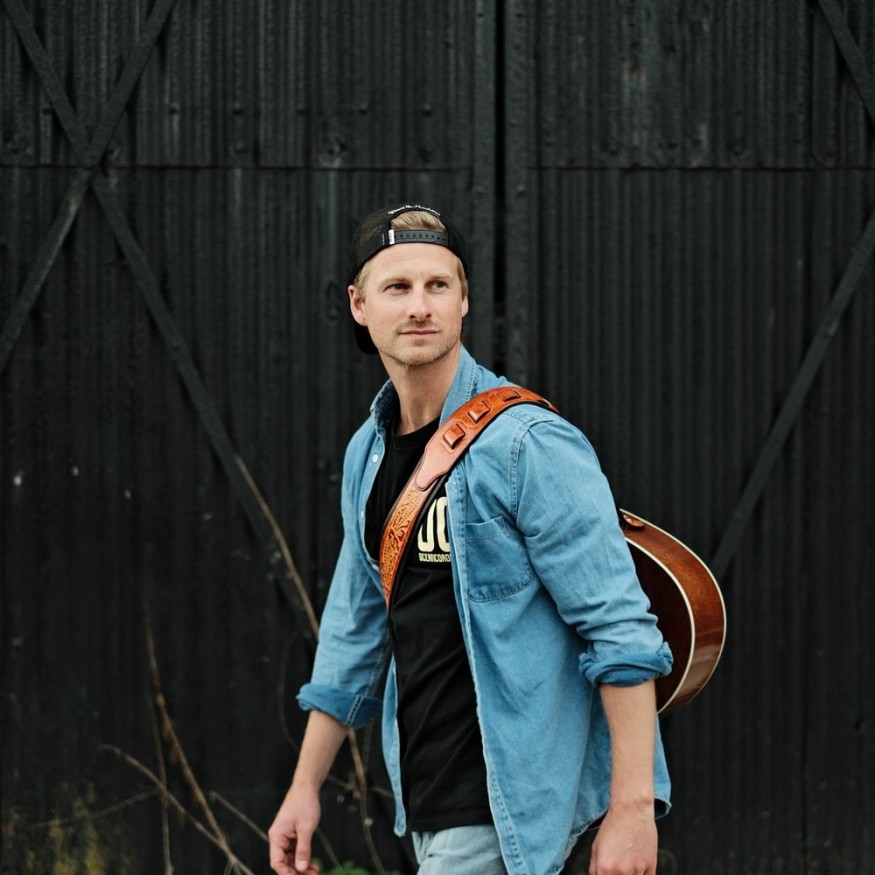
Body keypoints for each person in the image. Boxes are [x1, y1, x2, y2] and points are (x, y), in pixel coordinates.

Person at [268, 203, 674, 875]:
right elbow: (352, 629)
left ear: (463, 300)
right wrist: (304, 787)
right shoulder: (368, 451)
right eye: (397, 287)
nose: (419, 306)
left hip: (509, 802)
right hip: (422, 799)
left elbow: (619, 628)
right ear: (359, 306)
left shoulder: (527, 445)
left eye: (438, 285)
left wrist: (631, 807)